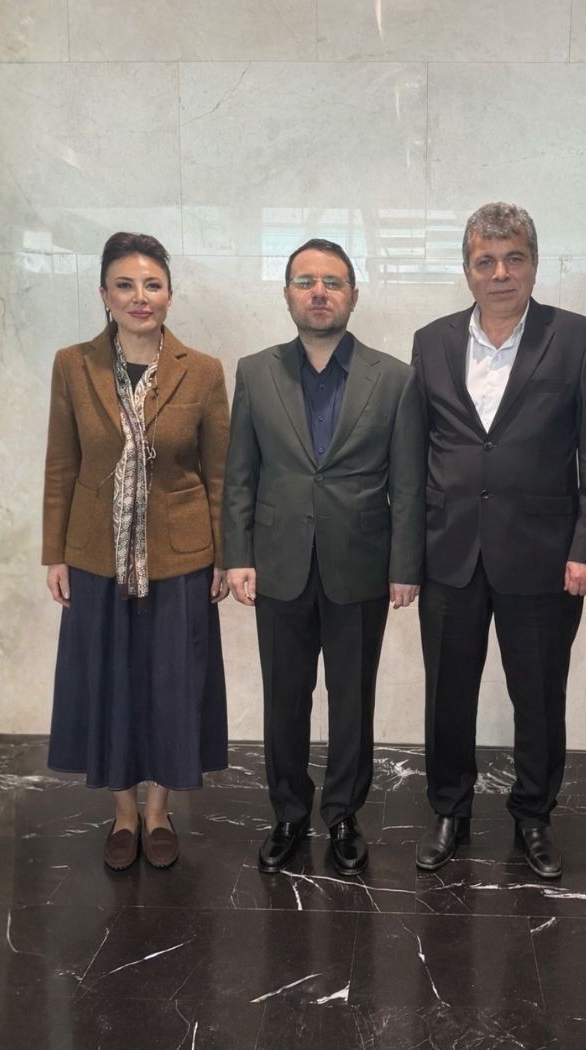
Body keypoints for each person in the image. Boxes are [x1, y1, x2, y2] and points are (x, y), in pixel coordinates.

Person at [411, 202, 586, 879]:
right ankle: (450, 810)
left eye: (514, 259)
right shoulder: (431, 341)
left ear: (533, 264)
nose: (500, 273)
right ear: (467, 269)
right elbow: (417, 453)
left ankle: (534, 815)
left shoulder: (579, 338)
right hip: (450, 554)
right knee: (447, 696)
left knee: (538, 695)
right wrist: (407, 554)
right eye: (486, 261)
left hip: (544, 558)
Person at [223, 238, 424, 877]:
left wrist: (405, 566)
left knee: (352, 700)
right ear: (287, 294)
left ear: (352, 295)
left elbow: (408, 484)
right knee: (284, 698)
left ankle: (342, 814)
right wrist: (237, 555)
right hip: (277, 563)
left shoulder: (394, 378)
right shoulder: (255, 372)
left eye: (332, 282)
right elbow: (239, 474)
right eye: (305, 281)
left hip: (360, 566)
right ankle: (287, 813)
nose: (319, 293)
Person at [43, 232, 230, 871]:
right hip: (97, 554)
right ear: (104, 294)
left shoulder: (202, 370)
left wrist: (225, 556)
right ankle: (123, 813)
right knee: (111, 684)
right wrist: (54, 553)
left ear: (170, 295)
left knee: (173, 685)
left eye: (152, 284)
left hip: (180, 558)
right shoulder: (73, 365)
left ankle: (159, 811)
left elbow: (220, 473)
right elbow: (61, 463)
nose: (139, 297)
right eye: (125, 285)